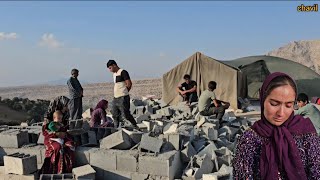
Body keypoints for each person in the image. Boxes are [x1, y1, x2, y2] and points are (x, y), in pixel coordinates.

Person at [233, 72, 320, 179]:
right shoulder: (249, 139)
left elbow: (317, 171)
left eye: (289, 105)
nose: (281, 113)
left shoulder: (305, 131)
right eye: (274, 104)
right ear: (263, 100)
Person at [106, 60, 138, 128]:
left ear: (114, 65)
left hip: (123, 97)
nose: (110, 70)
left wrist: (125, 92)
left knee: (125, 114)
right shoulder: (114, 74)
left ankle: (134, 125)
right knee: (115, 114)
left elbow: (129, 84)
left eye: (110, 68)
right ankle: (116, 128)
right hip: (116, 97)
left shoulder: (123, 72)